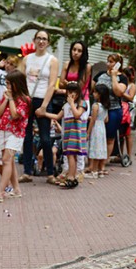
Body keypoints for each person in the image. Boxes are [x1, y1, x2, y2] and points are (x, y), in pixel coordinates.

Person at [21, 30, 59, 182]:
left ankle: (50, 173)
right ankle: (27, 172)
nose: (41, 41)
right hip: (28, 100)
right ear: (34, 40)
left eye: (44, 39)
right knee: (27, 137)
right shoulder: (26, 59)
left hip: (44, 100)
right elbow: (21, 81)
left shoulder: (52, 60)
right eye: (39, 38)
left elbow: (52, 84)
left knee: (45, 138)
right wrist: (23, 99)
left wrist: (44, 106)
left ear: (48, 42)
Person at [0, 70, 29, 202]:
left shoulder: (24, 99)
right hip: (4, 130)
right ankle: (16, 189)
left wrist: (10, 99)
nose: (7, 86)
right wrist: (6, 100)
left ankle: (1, 190)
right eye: (7, 83)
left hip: (16, 133)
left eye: (10, 84)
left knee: (6, 160)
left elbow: (15, 114)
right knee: (8, 161)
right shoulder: (6, 96)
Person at [40, 81, 87, 189]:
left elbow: (77, 115)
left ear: (78, 93)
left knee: (71, 155)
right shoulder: (65, 105)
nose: (71, 94)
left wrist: (71, 104)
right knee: (70, 155)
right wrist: (44, 113)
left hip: (76, 133)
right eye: (69, 92)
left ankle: (71, 177)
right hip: (67, 132)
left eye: (74, 92)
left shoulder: (82, 103)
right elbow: (57, 117)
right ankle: (72, 176)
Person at [55, 41, 91, 181]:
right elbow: (61, 81)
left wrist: (68, 86)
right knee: (66, 135)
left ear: (83, 53)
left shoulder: (87, 67)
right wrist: (70, 87)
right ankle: (66, 169)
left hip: (81, 101)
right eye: (74, 49)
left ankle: (79, 170)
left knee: (78, 137)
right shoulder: (66, 64)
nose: (75, 52)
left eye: (79, 50)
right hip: (68, 102)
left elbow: (80, 87)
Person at [92, 54, 128, 165]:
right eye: (108, 61)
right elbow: (92, 89)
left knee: (109, 137)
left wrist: (113, 76)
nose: (109, 64)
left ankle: (104, 161)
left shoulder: (122, 78)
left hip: (113, 109)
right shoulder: (100, 75)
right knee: (97, 134)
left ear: (118, 64)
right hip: (99, 109)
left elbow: (119, 92)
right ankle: (94, 159)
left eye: (112, 62)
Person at [85, 84, 109, 178]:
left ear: (100, 94)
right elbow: (106, 119)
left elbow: (93, 120)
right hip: (102, 127)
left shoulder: (95, 106)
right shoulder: (105, 106)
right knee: (100, 147)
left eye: (95, 92)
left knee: (94, 147)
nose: (93, 94)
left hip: (95, 128)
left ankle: (94, 170)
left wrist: (88, 132)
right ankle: (98, 169)